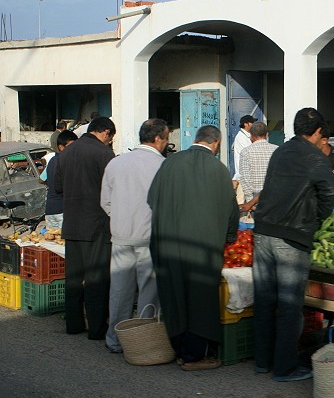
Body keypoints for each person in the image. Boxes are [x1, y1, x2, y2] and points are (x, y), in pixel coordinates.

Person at [252, 107, 334, 382]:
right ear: (316, 132)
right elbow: (331, 191)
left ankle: (263, 362)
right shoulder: (314, 157)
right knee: (289, 305)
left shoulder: (280, 151)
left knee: (265, 301)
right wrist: (318, 217)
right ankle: (285, 368)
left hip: (263, 233)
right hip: (291, 237)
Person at [148, 125, 238, 371]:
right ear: (216, 144)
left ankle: (179, 348)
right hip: (202, 247)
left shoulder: (169, 163)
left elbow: (152, 200)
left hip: (168, 244)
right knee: (200, 298)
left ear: (196, 139)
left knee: (174, 293)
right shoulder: (219, 170)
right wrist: (229, 238)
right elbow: (232, 211)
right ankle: (194, 355)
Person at [100, 119, 170, 354]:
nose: (167, 143)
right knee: (149, 293)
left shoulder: (116, 163)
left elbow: (105, 201)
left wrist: (120, 219)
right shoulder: (163, 166)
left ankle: (115, 338)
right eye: (167, 138)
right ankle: (142, 343)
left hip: (120, 236)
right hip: (149, 238)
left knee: (119, 291)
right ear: (158, 139)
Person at [55, 116, 116, 340]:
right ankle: (97, 328)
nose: (110, 142)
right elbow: (112, 188)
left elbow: (58, 187)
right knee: (96, 278)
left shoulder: (67, 152)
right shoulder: (103, 153)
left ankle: (73, 324)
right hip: (97, 224)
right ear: (106, 133)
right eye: (110, 138)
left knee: (73, 277)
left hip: (72, 222)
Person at [238, 121, 277, 213]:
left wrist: (250, 202)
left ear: (251, 135)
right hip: (274, 198)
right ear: (267, 135)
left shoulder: (246, 152)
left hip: (254, 199)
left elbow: (245, 178)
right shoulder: (277, 150)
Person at [43, 130, 78, 230]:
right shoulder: (68, 161)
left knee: (51, 243)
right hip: (62, 211)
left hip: (50, 210)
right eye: (71, 147)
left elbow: (42, 180)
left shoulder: (52, 161)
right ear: (61, 147)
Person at [231, 114, 257, 188]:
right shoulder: (241, 137)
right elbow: (250, 153)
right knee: (241, 199)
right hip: (243, 176)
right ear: (246, 124)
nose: (253, 125)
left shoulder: (248, 136)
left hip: (248, 175)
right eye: (252, 123)